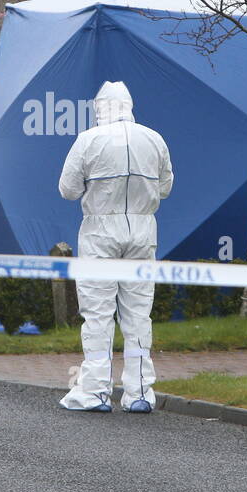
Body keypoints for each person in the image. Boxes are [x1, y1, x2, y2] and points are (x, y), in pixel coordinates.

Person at [58, 81, 173, 413]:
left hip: (99, 231)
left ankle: (94, 391)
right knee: (138, 314)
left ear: (99, 108)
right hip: (142, 230)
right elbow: (165, 187)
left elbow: (67, 189)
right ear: (129, 105)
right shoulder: (154, 139)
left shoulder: (88, 140)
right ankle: (139, 393)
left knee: (97, 314)